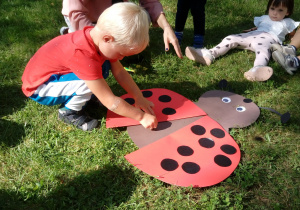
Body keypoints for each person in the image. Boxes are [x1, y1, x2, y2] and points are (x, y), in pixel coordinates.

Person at [22, 2, 158, 131]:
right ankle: (68, 112)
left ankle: (86, 96)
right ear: (107, 39)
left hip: (55, 76)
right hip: (40, 87)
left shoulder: (96, 38)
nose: (121, 58)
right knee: (88, 82)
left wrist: (138, 97)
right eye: (121, 53)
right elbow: (110, 101)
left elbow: (120, 72)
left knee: (104, 65)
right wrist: (141, 117)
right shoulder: (83, 54)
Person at [185, 0, 298, 82]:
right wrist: (250, 30)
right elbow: (259, 27)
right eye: (272, 9)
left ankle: (257, 69)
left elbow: (293, 34)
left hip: (268, 40)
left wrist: (290, 41)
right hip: (253, 35)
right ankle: (209, 54)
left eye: (280, 10)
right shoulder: (264, 18)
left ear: (287, 12)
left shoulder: (288, 22)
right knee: (231, 38)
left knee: (263, 52)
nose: (274, 13)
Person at [60, 0, 183, 59]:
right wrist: (94, 41)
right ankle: (72, 34)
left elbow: (150, 2)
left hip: (116, 16)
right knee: (94, 57)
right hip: (88, 19)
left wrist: (166, 27)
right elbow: (76, 13)